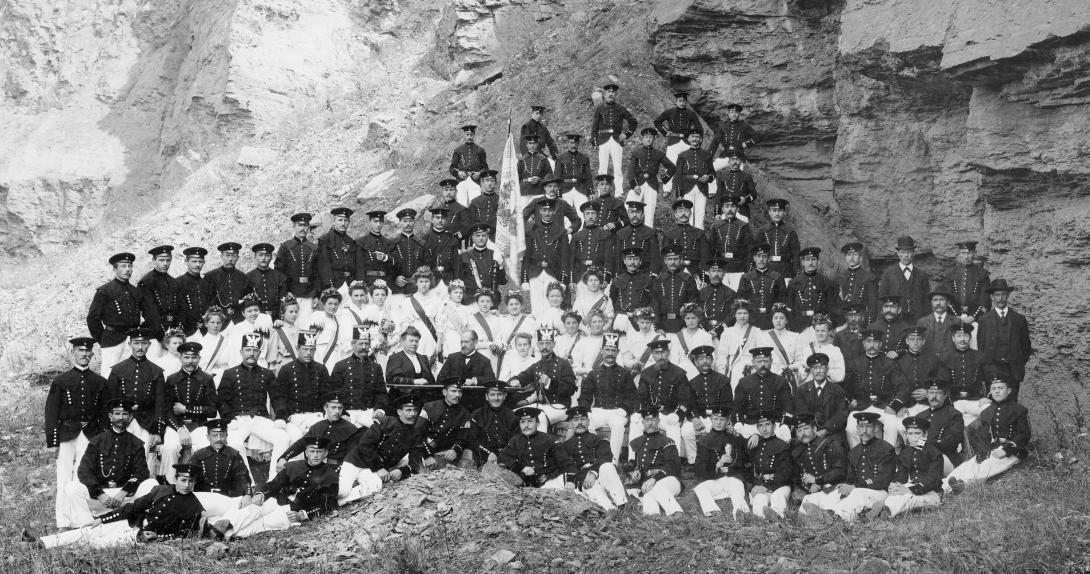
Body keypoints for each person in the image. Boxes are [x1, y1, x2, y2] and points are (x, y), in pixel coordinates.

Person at [38, 463, 204, 549]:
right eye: (183, 480)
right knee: (90, 531)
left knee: (99, 543)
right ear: (176, 479)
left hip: (141, 537)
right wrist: (103, 519)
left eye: (191, 481)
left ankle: (58, 548)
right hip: (132, 522)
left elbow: (184, 533)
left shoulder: (194, 507)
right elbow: (133, 507)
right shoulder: (160, 489)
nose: (186, 485)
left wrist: (158, 538)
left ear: (195, 482)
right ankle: (42, 543)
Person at [211, 436, 339, 539]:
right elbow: (274, 484)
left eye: (319, 452)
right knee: (252, 509)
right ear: (306, 452)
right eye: (312, 451)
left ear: (325, 453)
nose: (315, 455)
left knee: (261, 524)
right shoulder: (292, 466)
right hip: (277, 500)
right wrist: (261, 494)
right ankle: (218, 527)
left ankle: (223, 534)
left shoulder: (331, 476)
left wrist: (303, 515)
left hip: (291, 511)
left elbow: (328, 505)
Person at [59, 397, 157, 529]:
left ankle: (137, 522)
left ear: (131, 417)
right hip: (101, 498)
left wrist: (124, 492)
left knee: (152, 484)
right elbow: (84, 471)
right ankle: (85, 524)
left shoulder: (136, 443)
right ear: (110, 416)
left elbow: (142, 472)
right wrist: (100, 494)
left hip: (125, 498)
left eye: (125, 414)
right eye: (117, 414)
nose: (121, 418)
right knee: (72, 487)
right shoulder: (97, 441)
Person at [46, 337, 108, 528]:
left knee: (81, 476)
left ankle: (79, 519)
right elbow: (51, 413)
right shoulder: (61, 381)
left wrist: (101, 437)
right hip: (66, 432)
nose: (84, 354)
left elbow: (104, 413)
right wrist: (53, 442)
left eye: (88, 352)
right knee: (63, 476)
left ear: (92, 354)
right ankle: (63, 521)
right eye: (81, 351)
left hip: (89, 433)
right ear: (73, 352)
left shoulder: (100, 382)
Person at [217, 332, 291, 482]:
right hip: (238, 419)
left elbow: (278, 398)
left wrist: (281, 417)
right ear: (241, 352)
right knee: (234, 443)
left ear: (259, 352)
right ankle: (247, 483)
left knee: (283, 438)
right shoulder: (230, 374)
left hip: (260, 419)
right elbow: (222, 401)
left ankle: (273, 481)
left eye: (255, 350)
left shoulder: (267, 374)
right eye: (248, 350)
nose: (251, 354)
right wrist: (229, 419)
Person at [944, 377, 1030, 493]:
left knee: (986, 467)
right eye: (993, 389)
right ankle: (942, 487)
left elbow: (1024, 435)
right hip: (991, 448)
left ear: (1009, 391)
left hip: (1011, 452)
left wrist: (1007, 449)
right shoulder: (988, 410)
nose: (997, 391)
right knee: (966, 466)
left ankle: (960, 484)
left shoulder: (1018, 410)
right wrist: (982, 452)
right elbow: (984, 435)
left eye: (1000, 388)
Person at [88, 252, 161, 378]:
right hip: (112, 339)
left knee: (131, 375)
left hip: (132, 339)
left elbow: (149, 314)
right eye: (123, 266)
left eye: (130, 266)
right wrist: (103, 338)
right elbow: (93, 318)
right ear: (115, 268)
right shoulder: (105, 291)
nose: (127, 269)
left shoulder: (135, 291)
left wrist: (141, 333)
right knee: (109, 375)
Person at [338, 393, 420, 504]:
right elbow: (365, 445)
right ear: (399, 412)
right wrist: (379, 468)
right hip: (356, 461)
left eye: (415, 410)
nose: (413, 414)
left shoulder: (414, 434)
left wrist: (402, 471)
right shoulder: (385, 422)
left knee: (376, 486)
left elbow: (416, 460)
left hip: (370, 469)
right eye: (408, 410)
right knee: (342, 491)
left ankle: (338, 502)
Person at [158, 342, 218, 483]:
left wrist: (186, 409)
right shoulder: (172, 379)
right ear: (180, 358)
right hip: (176, 426)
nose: (190, 361)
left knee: (206, 448)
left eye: (194, 357)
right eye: (186, 357)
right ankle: (172, 484)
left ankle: (202, 484)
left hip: (199, 425)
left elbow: (212, 410)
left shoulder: (207, 379)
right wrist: (179, 429)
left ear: (199, 358)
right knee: (170, 448)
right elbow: (167, 409)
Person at [105, 328, 166, 463]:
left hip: (146, 422)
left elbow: (160, 404)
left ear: (149, 345)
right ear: (129, 344)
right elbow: (109, 402)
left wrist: (157, 431)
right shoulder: (117, 370)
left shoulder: (156, 371)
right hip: (121, 421)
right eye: (136, 343)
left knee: (142, 457)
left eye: (144, 343)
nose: (140, 347)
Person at [822, 412, 896, 521]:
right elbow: (850, 479)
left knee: (857, 493)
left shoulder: (886, 449)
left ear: (875, 428)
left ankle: (839, 519)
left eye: (868, 426)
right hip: (861, 492)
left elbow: (882, 480)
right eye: (861, 426)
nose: (864, 431)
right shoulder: (854, 452)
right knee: (836, 493)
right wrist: (845, 486)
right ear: (857, 428)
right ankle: (826, 513)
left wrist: (855, 487)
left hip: (880, 493)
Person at [843, 330, 907, 448]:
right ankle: (858, 456)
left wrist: (893, 406)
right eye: (869, 341)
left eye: (876, 341)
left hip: (883, 406)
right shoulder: (854, 363)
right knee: (850, 428)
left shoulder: (890, 363)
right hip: (861, 406)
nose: (872, 345)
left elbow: (903, 386)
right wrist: (850, 400)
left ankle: (888, 455)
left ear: (880, 344)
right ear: (864, 344)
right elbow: (844, 387)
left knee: (892, 425)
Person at [577, 331, 634, 463]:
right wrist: (586, 411)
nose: (610, 353)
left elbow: (632, 396)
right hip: (599, 410)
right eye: (607, 350)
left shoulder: (625, 373)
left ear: (617, 352)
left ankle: (613, 462)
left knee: (619, 425)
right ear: (602, 351)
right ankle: (592, 459)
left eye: (613, 350)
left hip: (618, 411)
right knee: (587, 424)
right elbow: (585, 396)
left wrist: (625, 409)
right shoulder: (593, 373)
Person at [508, 327, 577, 430]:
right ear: (537, 346)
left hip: (560, 407)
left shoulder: (563, 364)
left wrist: (550, 383)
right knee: (513, 414)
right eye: (541, 344)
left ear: (554, 344)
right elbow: (522, 377)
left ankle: (541, 446)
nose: (544, 347)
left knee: (539, 417)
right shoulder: (536, 366)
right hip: (540, 406)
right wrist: (515, 381)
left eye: (548, 343)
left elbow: (570, 389)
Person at [630, 339, 692, 454]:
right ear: (652, 354)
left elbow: (685, 400)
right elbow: (640, 396)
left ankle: (674, 461)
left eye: (663, 352)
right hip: (651, 414)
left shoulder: (679, 373)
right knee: (635, 424)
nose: (660, 356)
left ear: (668, 352)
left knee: (673, 426)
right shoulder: (646, 373)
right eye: (656, 353)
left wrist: (677, 414)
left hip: (670, 414)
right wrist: (638, 412)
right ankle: (633, 461)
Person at [562, 406, 628, 510]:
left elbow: (606, 456)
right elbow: (567, 466)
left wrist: (593, 472)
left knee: (607, 466)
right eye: (575, 420)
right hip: (585, 480)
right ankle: (612, 510)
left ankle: (621, 504)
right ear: (571, 423)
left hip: (600, 473)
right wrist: (572, 481)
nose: (579, 423)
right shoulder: (566, 445)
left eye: (583, 419)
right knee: (604, 505)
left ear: (588, 422)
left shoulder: (599, 438)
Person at [879, 416, 944, 518]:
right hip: (912, 487)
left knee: (909, 498)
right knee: (896, 494)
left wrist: (912, 490)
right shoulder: (905, 453)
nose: (913, 437)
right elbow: (901, 475)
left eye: (917, 433)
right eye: (910, 433)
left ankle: (886, 513)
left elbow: (933, 479)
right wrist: (895, 485)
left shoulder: (934, 453)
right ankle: (883, 509)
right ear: (906, 435)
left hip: (932, 493)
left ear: (925, 434)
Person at [976, 279, 1033, 395]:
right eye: (997, 295)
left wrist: (1018, 363)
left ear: (1007, 296)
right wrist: (986, 368)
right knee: (993, 402)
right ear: (992, 297)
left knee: (1011, 403)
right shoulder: (984, 320)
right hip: (992, 370)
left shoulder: (1019, 319)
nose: (1000, 298)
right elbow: (981, 347)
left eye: (1003, 295)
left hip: (1012, 370)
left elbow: (1026, 346)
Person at [273, 331, 330, 442]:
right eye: (305, 349)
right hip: (294, 417)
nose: (309, 353)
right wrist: (283, 417)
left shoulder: (321, 369)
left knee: (318, 438)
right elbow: (279, 397)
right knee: (295, 440)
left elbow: (327, 395)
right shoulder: (286, 369)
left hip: (315, 416)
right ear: (298, 348)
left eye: (312, 349)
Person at [692, 407, 749, 518]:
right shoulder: (704, 440)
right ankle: (713, 512)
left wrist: (745, 436)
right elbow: (699, 468)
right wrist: (718, 464)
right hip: (714, 478)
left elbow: (747, 454)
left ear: (728, 420)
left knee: (737, 486)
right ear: (711, 419)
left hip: (732, 477)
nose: (718, 422)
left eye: (722, 419)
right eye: (715, 419)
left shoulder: (734, 437)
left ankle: (740, 513)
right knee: (700, 488)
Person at [625, 406, 683, 516]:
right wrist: (635, 473)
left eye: (653, 420)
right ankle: (653, 517)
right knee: (648, 494)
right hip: (648, 485)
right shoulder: (638, 442)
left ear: (659, 421)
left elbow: (673, 466)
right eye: (647, 420)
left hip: (669, 480)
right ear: (642, 422)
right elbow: (638, 465)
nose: (650, 423)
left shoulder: (667, 441)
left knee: (657, 487)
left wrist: (654, 479)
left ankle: (676, 512)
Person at [278, 392, 361, 468]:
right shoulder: (318, 426)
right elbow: (301, 443)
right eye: (333, 407)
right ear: (325, 408)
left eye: (340, 408)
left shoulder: (350, 429)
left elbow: (353, 457)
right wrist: (284, 457)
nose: (337, 411)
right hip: (317, 468)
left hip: (338, 469)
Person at [497, 407, 573, 489]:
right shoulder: (515, 441)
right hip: (524, 485)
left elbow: (566, 463)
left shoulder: (549, 440)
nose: (526, 425)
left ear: (538, 423)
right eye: (523, 422)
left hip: (548, 483)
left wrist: (551, 476)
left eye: (530, 421)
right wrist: (521, 468)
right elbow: (502, 457)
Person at [328, 327, 389, 428]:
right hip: (347, 414)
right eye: (361, 344)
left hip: (369, 413)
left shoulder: (376, 367)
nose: (364, 347)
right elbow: (334, 394)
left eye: (366, 343)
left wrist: (379, 410)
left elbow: (381, 393)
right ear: (353, 344)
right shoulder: (340, 366)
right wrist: (342, 413)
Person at [792, 413, 848, 518]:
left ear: (814, 428)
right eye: (799, 431)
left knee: (828, 504)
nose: (803, 433)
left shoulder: (829, 443)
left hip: (836, 488)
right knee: (806, 502)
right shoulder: (797, 452)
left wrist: (817, 480)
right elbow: (799, 477)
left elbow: (841, 471)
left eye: (806, 429)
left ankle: (827, 519)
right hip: (818, 491)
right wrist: (809, 487)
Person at [520, 198, 571, 314]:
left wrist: (563, 279)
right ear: (540, 211)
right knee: (536, 305)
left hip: (552, 271)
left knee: (551, 305)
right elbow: (526, 256)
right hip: (535, 272)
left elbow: (564, 257)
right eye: (544, 210)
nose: (547, 213)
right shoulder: (531, 231)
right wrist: (524, 279)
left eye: (550, 210)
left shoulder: (561, 232)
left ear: (554, 211)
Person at [732, 348, 793, 442]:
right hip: (751, 425)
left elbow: (788, 406)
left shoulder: (781, 382)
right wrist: (738, 422)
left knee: (784, 436)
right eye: (759, 361)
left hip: (774, 424)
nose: (763, 364)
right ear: (752, 362)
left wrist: (784, 423)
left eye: (766, 361)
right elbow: (737, 407)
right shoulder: (744, 382)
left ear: (771, 361)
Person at [684, 345, 732, 464]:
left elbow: (728, 403)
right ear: (695, 362)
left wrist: (717, 418)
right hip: (700, 417)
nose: (704, 361)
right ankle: (693, 461)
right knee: (686, 431)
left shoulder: (722, 380)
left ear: (712, 360)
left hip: (719, 417)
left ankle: (716, 461)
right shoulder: (692, 383)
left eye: (707, 358)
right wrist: (694, 418)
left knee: (716, 429)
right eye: (700, 359)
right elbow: (689, 404)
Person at [189, 419, 254, 507]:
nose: (219, 439)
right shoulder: (199, 455)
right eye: (215, 435)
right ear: (208, 437)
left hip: (227, 498)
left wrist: (247, 494)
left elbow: (243, 477)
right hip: (204, 498)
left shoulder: (234, 455)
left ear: (226, 436)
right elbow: (187, 475)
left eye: (222, 435)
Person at [591, 83, 638, 194]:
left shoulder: (620, 109)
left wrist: (626, 135)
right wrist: (595, 142)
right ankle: (601, 191)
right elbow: (594, 127)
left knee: (618, 167)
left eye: (613, 92)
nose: (611, 94)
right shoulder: (599, 109)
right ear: (604, 94)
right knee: (602, 168)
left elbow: (633, 122)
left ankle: (619, 192)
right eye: (609, 92)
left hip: (617, 140)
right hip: (603, 140)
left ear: (616, 94)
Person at [792, 354, 850, 444]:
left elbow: (841, 414)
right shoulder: (802, 390)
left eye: (822, 368)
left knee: (836, 448)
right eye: (815, 368)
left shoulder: (837, 390)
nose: (818, 371)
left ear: (827, 369)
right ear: (811, 370)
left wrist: (827, 429)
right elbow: (802, 413)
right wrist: (812, 431)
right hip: (809, 431)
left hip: (832, 432)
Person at [275, 213, 320, 326]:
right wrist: (286, 291)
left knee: (306, 325)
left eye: (305, 225)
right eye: (299, 225)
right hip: (291, 293)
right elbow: (279, 271)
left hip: (308, 293)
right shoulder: (286, 247)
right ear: (294, 227)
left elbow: (318, 273)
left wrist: (317, 295)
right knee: (290, 325)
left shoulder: (313, 248)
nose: (303, 228)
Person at [414, 379, 471, 469]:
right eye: (454, 391)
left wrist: (456, 450)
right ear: (444, 392)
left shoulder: (464, 413)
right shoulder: (429, 407)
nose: (457, 395)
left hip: (448, 452)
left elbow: (463, 437)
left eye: (460, 392)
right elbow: (417, 433)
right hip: (426, 450)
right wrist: (427, 456)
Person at [940, 323, 989, 426]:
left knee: (991, 411)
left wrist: (987, 397)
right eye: (959, 336)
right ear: (953, 338)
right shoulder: (944, 357)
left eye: (965, 335)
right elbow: (942, 384)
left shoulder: (980, 356)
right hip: (953, 401)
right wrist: (948, 403)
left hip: (975, 400)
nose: (962, 339)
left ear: (970, 337)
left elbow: (990, 379)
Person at [747, 412, 793, 519]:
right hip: (761, 483)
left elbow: (786, 472)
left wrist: (767, 486)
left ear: (774, 426)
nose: (764, 429)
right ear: (757, 428)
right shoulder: (756, 444)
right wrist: (757, 485)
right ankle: (761, 521)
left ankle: (778, 519)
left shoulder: (783, 445)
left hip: (780, 484)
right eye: (761, 426)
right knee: (759, 499)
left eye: (767, 424)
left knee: (777, 498)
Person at [625, 128, 676, 225]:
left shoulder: (658, 154)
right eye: (646, 137)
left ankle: (647, 235)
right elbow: (631, 171)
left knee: (650, 211)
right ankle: (628, 230)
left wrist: (664, 178)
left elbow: (672, 167)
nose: (648, 139)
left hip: (652, 184)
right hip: (638, 183)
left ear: (654, 139)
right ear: (642, 139)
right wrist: (634, 185)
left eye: (651, 137)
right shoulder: (636, 153)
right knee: (629, 207)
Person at [896, 326, 949, 417]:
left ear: (923, 341)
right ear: (907, 341)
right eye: (912, 339)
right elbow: (895, 387)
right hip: (907, 405)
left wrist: (928, 392)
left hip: (929, 403)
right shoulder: (899, 361)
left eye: (918, 339)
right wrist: (900, 405)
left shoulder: (933, 359)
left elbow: (941, 381)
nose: (915, 342)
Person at [465, 381, 520, 470]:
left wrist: (503, 457)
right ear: (487, 397)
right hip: (484, 458)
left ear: (505, 395)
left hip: (507, 459)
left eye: (499, 394)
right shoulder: (477, 414)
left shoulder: (511, 416)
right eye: (492, 394)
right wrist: (488, 453)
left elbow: (516, 440)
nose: (496, 398)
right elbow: (472, 440)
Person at [437, 329, 497, 411]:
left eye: (466, 342)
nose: (463, 345)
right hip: (453, 406)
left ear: (475, 342)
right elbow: (440, 378)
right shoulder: (452, 358)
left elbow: (491, 380)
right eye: (461, 342)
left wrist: (474, 381)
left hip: (475, 407)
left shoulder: (484, 360)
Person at [915, 378, 964, 473]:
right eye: (931, 393)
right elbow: (914, 439)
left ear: (945, 396)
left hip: (946, 457)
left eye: (938, 393)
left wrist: (927, 447)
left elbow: (952, 440)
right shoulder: (920, 416)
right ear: (927, 395)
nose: (934, 396)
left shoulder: (954, 415)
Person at [138, 245, 179, 355]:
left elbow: (178, 309)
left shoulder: (173, 282)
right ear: (153, 260)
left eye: (168, 260)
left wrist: (176, 332)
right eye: (161, 260)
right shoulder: (146, 282)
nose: (165, 263)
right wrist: (161, 336)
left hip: (172, 333)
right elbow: (149, 312)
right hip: (154, 335)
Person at [706, 195, 753, 291]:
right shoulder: (716, 227)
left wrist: (748, 270)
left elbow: (750, 250)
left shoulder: (744, 226)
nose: (730, 209)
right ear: (722, 209)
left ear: (737, 208)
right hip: (720, 269)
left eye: (733, 206)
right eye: (727, 207)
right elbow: (710, 249)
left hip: (738, 269)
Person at [786, 247, 838, 331]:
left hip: (820, 325)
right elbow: (789, 307)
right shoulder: (793, 283)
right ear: (803, 262)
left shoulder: (827, 282)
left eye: (813, 259)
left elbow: (831, 308)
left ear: (818, 261)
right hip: (799, 325)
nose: (810, 263)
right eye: (807, 260)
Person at [672, 131, 716, 229]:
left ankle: (699, 239)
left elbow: (713, 173)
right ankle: (688, 239)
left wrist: (708, 177)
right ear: (688, 139)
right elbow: (678, 175)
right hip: (687, 187)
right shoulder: (682, 155)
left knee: (700, 214)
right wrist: (679, 193)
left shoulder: (707, 155)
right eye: (692, 137)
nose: (695, 139)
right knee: (688, 214)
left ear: (700, 139)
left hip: (702, 188)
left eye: (697, 137)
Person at [878, 236, 929, 321]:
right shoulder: (889, 274)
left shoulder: (922, 275)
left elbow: (926, 301)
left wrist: (925, 320)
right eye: (902, 252)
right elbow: (881, 299)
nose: (905, 255)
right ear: (897, 253)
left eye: (908, 252)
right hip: (896, 319)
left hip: (917, 319)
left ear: (913, 253)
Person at [737, 242, 787, 329]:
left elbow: (783, 299)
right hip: (751, 320)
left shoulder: (777, 277)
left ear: (769, 258)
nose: (761, 259)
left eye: (764, 256)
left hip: (771, 320)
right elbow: (741, 300)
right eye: (758, 256)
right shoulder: (746, 277)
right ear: (754, 258)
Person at [570, 202, 617, 293]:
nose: (590, 216)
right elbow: (571, 259)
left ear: (597, 216)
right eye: (587, 213)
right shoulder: (576, 236)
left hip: (599, 277)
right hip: (580, 276)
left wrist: (605, 279)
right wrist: (572, 280)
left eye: (593, 213)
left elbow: (609, 259)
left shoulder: (605, 235)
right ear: (583, 216)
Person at [714, 300, 763, 387]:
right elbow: (722, 355)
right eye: (739, 313)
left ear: (749, 315)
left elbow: (760, 355)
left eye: (745, 313)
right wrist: (722, 374)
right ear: (735, 315)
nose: (742, 316)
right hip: (733, 368)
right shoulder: (727, 332)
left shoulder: (756, 331)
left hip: (751, 369)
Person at [653, 91, 703, 176]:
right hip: (673, 141)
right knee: (670, 163)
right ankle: (667, 187)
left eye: (684, 101)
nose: (682, 103)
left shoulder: (691, 113)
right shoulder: (669, 112)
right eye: (680, 101)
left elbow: (699, 129)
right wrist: (666, 132)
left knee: (688, 164)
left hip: (687, 142)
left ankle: (685, 186)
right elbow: (657, 122)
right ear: (676, 102)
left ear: (686, 102)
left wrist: (697, 142)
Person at [942, 240, 991, 327]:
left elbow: (986, 301)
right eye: (963, 253)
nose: (966, 256)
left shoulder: (982, 274)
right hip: (954, 318)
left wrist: (973, 317)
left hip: (976, 320)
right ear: (959, 254)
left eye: (969, 253)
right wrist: (957, 316)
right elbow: (947, 298)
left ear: (974, 254)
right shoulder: (950, 273)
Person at [204, 242, 253, 324]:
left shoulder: (244, 278)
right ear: (221, 257)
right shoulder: (210, 276)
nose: (230, 259)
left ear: (237, 257)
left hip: (239, 320)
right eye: (227, 255)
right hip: (218, 321)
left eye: (233, 255)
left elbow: (247, 302)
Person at [315, 207, 358, 298]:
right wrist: (329, 286)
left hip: (351, 284)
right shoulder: (325, 240)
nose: (343, 223)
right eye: (340, 220)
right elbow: (324, 266)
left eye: (346, 220)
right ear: (333, 222)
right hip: (335, 285)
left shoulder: (350, 241)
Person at [757, 304, 804, 384]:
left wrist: (789, 368)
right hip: (770, 375)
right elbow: (761, 359)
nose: (778, 321)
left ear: (786, 320)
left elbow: (800, 359)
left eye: (782, 318)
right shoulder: (764, 336)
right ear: (772, 320)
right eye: (775, 318)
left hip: (789, 375)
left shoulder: (795, 336)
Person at [224, 293, 274, 368]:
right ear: (243, 313)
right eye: (249, 311)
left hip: (262, 367)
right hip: (243, 367)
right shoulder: (236, 329)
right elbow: (233, 355)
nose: (253, 313)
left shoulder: (265, 326)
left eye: (256, 310)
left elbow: (270, 351)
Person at [610, 247, 654, 333]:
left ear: (640, 261)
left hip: (640, 321)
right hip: (621, 321)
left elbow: (652, 302)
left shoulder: (647, 280)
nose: (632, 262)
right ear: (624, 261)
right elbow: (613, 301)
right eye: (629, 259)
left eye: (636, 259)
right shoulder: (617, 280)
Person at [458, 223, 507, 297]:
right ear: (472, 238)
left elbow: (503, 282)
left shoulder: (495, 255)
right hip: (470, 298)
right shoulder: (464, 256)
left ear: (487, 237)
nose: (481, 238)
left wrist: (501, 266)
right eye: (477, 236)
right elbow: (458, 280)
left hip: (490, 299)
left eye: (483, 235)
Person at [308, 288, 353, 371]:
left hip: (335, 354)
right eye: (330, 303)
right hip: (319, 352)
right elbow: (309, 338)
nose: (333, 307)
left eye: (336, 304)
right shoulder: (316, 316)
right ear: (324, 304)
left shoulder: (338, 320)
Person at [385, 327, 436, 397]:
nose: (414, 343)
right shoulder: (395, 358)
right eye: (411, 341)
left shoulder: (424, 358)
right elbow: (392, 379)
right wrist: (414, 381)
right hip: (402, 397)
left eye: (416, 341)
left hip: (423, 397)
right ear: (403, 342)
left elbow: (431, 381)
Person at [389, 208, 427, 300]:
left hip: (418, 287)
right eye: (404, 221)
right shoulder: (393, 243)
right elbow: (388, 265)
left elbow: (426, 265)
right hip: (398, 287)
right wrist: (395, 277)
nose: (408, 224)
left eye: (410, 221)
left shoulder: (421, 243)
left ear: (414, 222)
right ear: (400, 223)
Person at [421, 204, 462, 289]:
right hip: (430, 281)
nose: (440, 221)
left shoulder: (452, 239)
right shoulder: (425, 239)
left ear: (446, 220)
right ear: (432, 220)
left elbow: (456, 263)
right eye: (437, 218)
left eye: (443, 218)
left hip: (448, 280)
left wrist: (455, 281)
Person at [837, 242, 879, 325]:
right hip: (842, 319)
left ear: (860, 257)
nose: (851, 258)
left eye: (855, 255)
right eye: (849, 255)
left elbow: (872, 305)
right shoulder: (840, 277)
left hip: (861, 319)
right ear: (845, 258)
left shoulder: (869, 277)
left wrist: (868, 322)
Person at [669, 304, 715, 380]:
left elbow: (711, 357)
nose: (691, 321)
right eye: (688, 318)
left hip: (700, 371)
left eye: (694, 318)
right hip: (682, 373)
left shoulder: (706, 336)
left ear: (698, 319)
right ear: (684, 319)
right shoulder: (677, 337)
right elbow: (674, 359)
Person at [758, 199, 799, 282]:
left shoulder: (790, 232)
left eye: (780, 210)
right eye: (774, 210)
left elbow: (796, 254)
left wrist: (795, 274)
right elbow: (756, 253)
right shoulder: (762, 231)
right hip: (767, 271)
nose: (777, 214)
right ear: (769, 212)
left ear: (784, 212)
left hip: (786, 272)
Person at [175, 246, 212, 340]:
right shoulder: (178, 283)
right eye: (194, 261)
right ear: (186, 262)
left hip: (205, 332)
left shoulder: (206, 283)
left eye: (200, 261)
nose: (197, 265)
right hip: (187, 332)